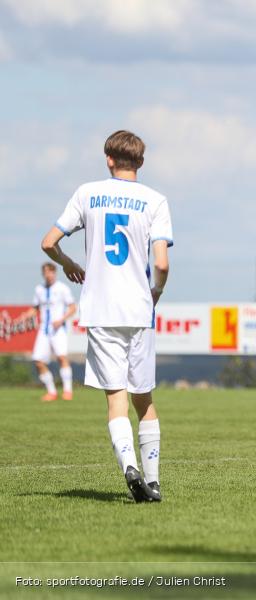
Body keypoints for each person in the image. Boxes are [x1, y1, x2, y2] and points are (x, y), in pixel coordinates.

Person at [39, 130, 172, 502]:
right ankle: (154, 480)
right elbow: (161, 263)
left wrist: (69, 265)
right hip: (138, 309)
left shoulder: (87, 193)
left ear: (108, 159)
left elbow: (49, 242)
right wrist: (156, 292)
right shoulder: (155, 200)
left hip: (100, 308)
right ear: (141, 163)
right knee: (142, 397)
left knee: (116, 397)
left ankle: (128, 465)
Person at [20, 263, 77, 401]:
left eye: (50, 272)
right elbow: (35, 308)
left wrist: (61, 319)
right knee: (38, 360)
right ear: (43, 274)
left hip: (58, 329)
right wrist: (25, 316)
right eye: (46, 272)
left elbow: (72, 308)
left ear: (54, 273)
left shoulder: (62, 288)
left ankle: (67, 391)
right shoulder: (39, 289)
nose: (48, 274)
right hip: (44, 330)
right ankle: (51, 392)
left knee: (61, 357)